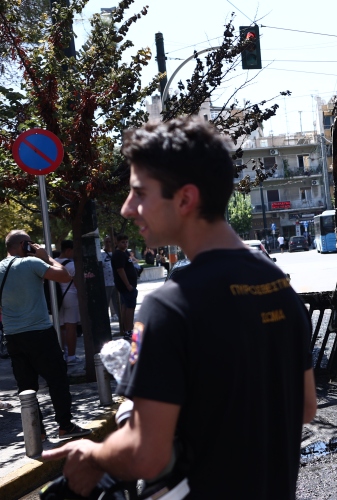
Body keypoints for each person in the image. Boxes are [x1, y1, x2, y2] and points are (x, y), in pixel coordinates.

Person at [44, 116, 317, 498]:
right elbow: (304, 408)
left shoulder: (168, 308)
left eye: (139, 193)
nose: (127, 208)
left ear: (186, 198)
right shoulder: (280, 287)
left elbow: (146, 456)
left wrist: (94, 453)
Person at [0, 230, 91, 440]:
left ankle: (37, 432)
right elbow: (64, 275)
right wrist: (46, 256)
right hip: (39, 332)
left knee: (26, 387)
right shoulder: (31, 263)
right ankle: (65, 427)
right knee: (57, 379)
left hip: (13, 336)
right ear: (24, 245)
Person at [58, 240, 80, 366]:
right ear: (68, 250)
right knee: (71, 327)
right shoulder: (71, 266)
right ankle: (71, 356)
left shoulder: (54, 262)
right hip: (71, 297)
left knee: (61, 327)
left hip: (58, 298)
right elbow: (78, 284)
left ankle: (63, 353)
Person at [112, 235, 138, 337]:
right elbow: (120, 270)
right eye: (123, 242)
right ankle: (128, 330)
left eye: (126, 242)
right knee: (129, 308)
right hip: (127, 286)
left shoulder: (125, 253)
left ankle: (126, 329)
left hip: (128, 286)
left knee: (125, 307)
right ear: (117, 243)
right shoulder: (118, 254)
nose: (125, 244)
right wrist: (128, 285)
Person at [100, 237, 120, 322]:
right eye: (106, 241)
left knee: (117, 303)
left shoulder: (116, 253)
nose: (108, 243)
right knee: (105, 303)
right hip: (106, 283)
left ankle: (120, 320)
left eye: (110, 241)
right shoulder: (101, 254)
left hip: (116, 283)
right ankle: (104, 321)